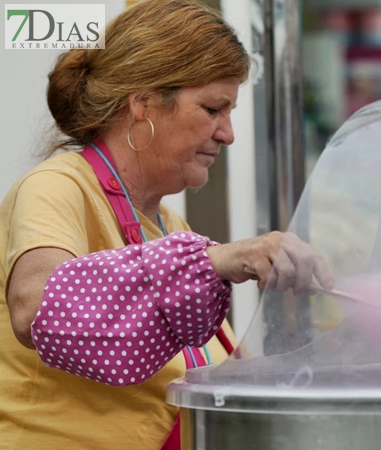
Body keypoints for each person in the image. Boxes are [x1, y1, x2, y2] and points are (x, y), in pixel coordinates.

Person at [0, 1, 332, 449]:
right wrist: (218, 259)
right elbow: (36, 308)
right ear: (144, 104)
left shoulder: (171, 227)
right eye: (213, 109)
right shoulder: (57, 186)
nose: (228, 133)